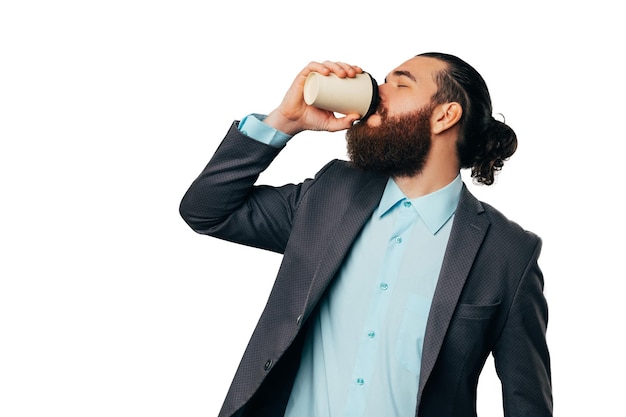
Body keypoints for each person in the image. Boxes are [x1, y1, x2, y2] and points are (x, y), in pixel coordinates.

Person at [179, 52, 552, 417]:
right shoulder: (330, 195)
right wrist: (284, 121)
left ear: (444, 115)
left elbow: (527, 402)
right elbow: (207, 211)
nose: (377, 91)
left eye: (399, 84)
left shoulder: (508, 253)